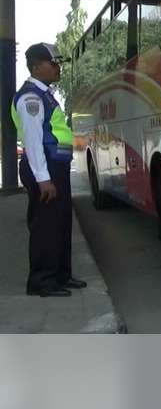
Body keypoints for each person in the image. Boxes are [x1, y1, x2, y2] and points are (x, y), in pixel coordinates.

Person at [11, 43, 86, 297]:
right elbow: (33, 140)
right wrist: (43, 179)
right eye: (53, 63)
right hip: (44, 169)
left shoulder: (45, 94)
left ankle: (61, 275)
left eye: (58, 63)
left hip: (56, 168)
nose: (58, 67)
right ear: (36, 66)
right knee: (46, 226)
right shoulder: (31, 97)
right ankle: (42, 282)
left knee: (61, 223)